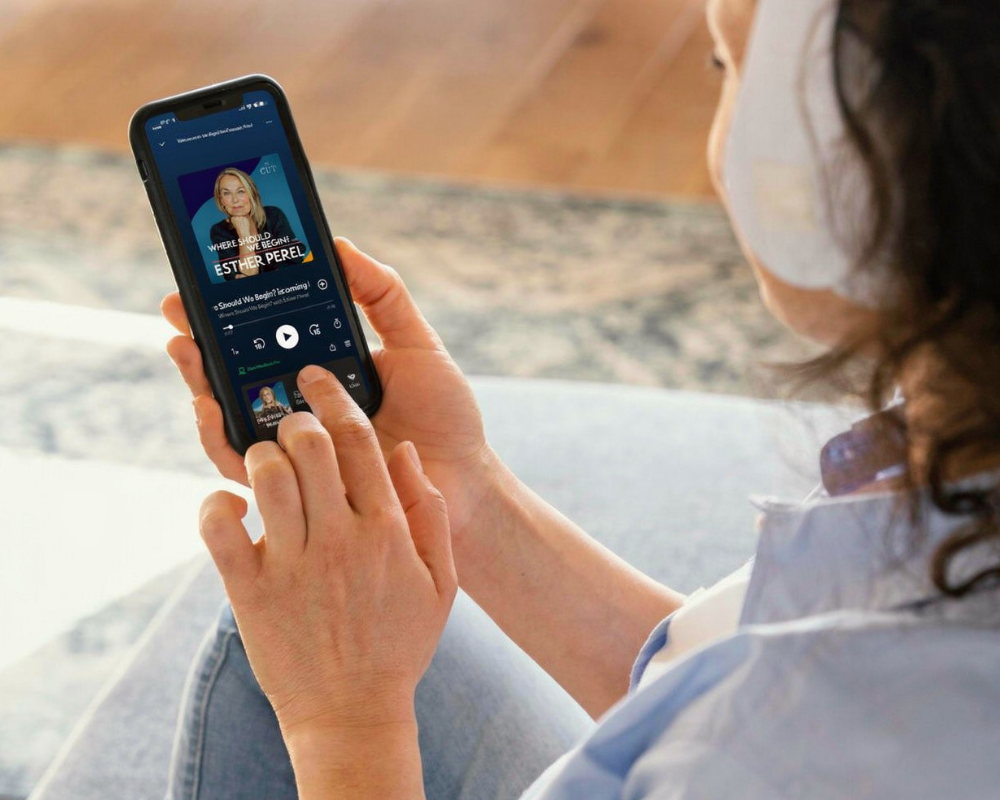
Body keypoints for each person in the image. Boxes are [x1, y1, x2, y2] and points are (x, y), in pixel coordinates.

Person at [160, 0, 1000, 797]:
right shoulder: (956, 464)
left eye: (724, 62)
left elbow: (749, 735)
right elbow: (722, 681)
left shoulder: (764, 756)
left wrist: (341, 720)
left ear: (831, 160)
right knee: (334, 617)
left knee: (281, 659)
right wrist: (468, 495)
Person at [209, 167, 302, 280]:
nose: (235, 200)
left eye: (241, 191)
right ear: (221, 200)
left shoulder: (273, 215)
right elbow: (249, 275)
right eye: (226, 193)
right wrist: (244, 236)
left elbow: (296, 258)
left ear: (251, 193)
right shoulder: (219, 231)